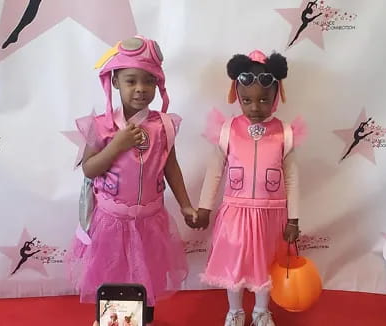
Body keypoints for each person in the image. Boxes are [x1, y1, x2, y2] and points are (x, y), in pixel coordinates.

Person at [65, 35, 196, 326]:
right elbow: (89, 169)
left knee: (145, 277)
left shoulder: (163, 126)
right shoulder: (102, 126)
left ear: (158, 84)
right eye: (131, 81)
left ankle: (143, 320)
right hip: (111, 223)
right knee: (113, 277)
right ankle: (112, 321)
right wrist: (116, 146)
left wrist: (186, 205)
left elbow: (170, 167)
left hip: (150, 222)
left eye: (148, 81)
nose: (140, 88)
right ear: (114, 82)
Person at [194, 50, 304, 326]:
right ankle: (235, 311)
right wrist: (205, 207)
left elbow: (291, 178)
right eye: (247, 100)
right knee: (235, 265)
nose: (255, 107)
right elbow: (215, 170)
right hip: (236, 213)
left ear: (275, 97)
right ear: (237, 96)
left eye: (263, 100)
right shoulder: (228, 129)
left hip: (271, 215)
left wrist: (293, 218)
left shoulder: (284, 132)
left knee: (266, 266)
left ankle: (261, 311)